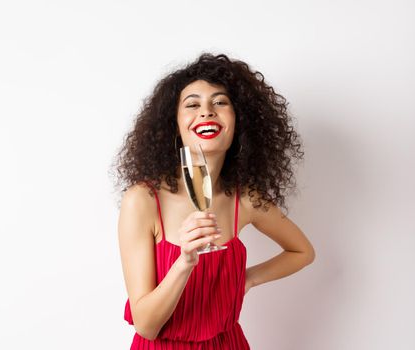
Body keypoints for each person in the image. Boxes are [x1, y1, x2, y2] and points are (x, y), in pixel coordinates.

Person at [113, 53, 315, 349]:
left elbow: (302, 252)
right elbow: (147, 326)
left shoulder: (244, 199)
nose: (207, 111)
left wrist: (247, 280)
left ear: (239, 119)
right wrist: (184, 262)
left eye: (220, 102)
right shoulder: (142, 201)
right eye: (192, 104)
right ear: (175, 125)